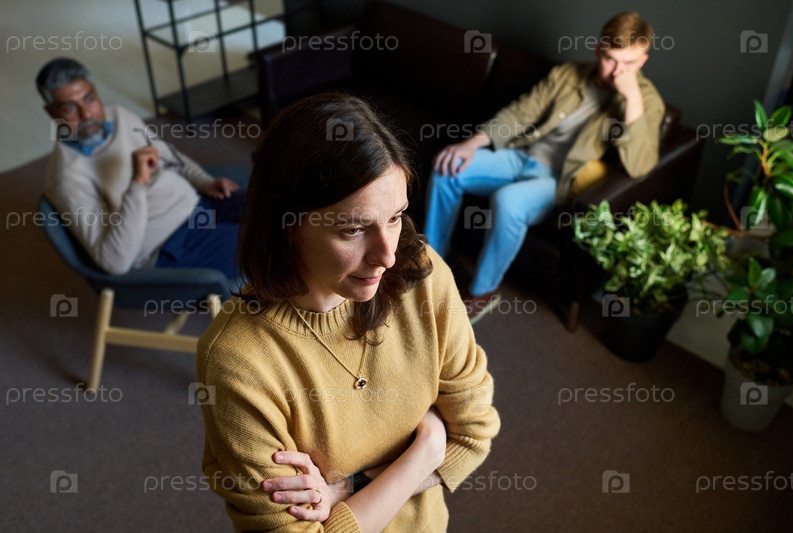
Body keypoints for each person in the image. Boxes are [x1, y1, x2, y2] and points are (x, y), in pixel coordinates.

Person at [196, 92, 500, 532]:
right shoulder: (237, 362)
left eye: (395, 217)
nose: (387, 256)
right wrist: (426, 449)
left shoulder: (420, 276)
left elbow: (474, 434)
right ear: (287, 227)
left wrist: (346, 489)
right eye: (353, 229)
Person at [425, 12, 665, 323]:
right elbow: (520, 113)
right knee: (448, 167)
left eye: (629, 63)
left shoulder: (647, 102)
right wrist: (471, 144)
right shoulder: (568, 74)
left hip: (558, 181)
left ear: (643, 60)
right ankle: (429, 266)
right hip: (520, 155)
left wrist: (631, 99)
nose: (618, 72)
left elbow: (639, 167)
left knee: (508, 201)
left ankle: (484, 291)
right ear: (598, 49)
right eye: (610, 59)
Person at [39, 57, 244, 280]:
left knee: (271, 207)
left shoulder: (118, 115)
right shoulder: (67, 177)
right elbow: (113, 261)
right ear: (51, 112)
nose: (87, 114)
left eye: (89, 99)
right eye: (69, 108)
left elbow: (169, 155)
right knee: (266, 243)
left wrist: (204, 181)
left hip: (198, 206)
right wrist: (137, 184)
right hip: (170, 247)